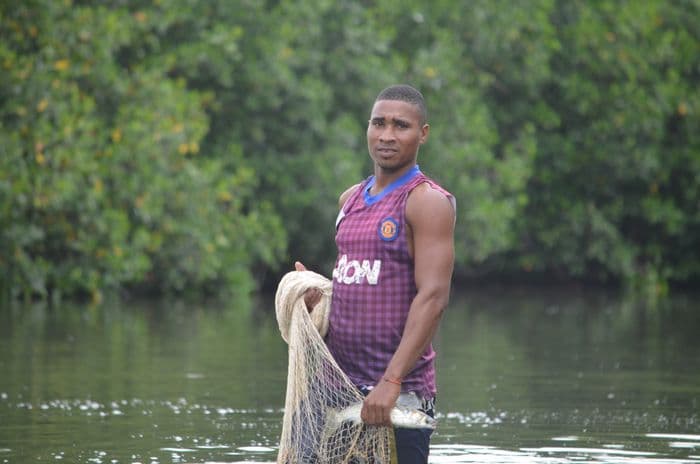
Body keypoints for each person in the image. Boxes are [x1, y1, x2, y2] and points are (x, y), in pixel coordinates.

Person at [295, 84, 455, 463]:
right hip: (333, 388)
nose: (387, 135)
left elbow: (433, 298)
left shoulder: (427, 201)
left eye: (401, 126)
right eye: (378, 123)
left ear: (423, 134)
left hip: (397, 396)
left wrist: (391, 381)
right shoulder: (349, 199)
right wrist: (316, 299)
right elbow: (358, 283)